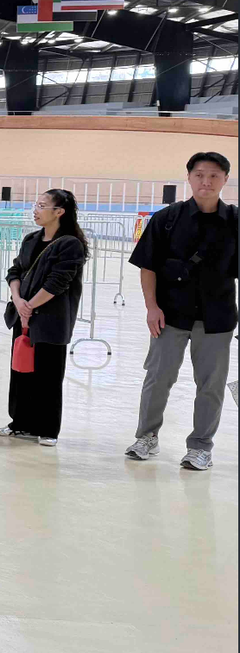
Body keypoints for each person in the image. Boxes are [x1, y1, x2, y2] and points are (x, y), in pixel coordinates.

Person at [125, 152, 236, 471]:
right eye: (200, 174)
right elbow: (148, 266)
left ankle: (201, 446)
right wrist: (151, 307)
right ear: (189, 177)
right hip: (169, 315)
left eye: (214, 175)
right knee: (157, 378)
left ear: (225, 180)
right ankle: (147, 437)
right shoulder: (167, 218)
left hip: (217, 319)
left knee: (211, 385)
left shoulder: (235, 221)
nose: (207, 181)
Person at [0, 189, 88, 447]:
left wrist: (30, 306)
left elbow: (59, 281)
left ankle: (48, 428)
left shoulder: (70, 244)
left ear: (59, 212)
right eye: (36, 204)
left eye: (42, 205)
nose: (35, 209)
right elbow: (15, 270)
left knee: (48, 375)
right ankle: (21, 423)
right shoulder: (31, 239)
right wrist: (18, 301)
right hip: (23, 317)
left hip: (50, 319)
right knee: (22, 370)